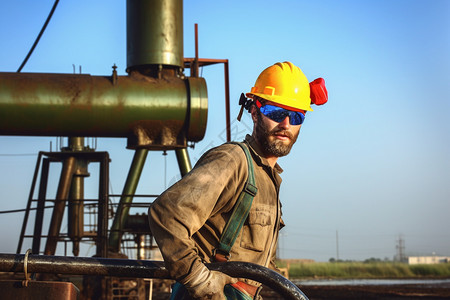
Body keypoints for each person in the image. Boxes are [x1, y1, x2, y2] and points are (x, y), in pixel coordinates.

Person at [148, 61, 327, 300]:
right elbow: (166, 214)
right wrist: (200, 281)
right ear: (254, 112)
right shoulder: (233, 161)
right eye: (275, 112)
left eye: (296, 116)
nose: (286, 124)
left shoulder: (269, 178)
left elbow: (257, 264)